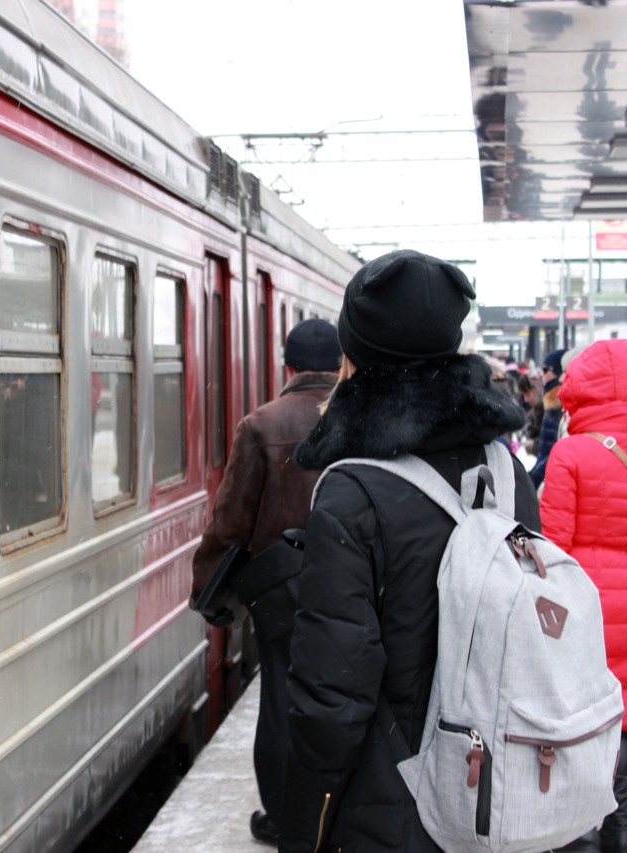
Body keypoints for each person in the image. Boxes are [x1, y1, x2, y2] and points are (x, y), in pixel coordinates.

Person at [282, 250, 536, 852]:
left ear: (356, 350)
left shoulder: (350, 492)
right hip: (498, 792)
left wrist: (303, 827)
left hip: (394, 809)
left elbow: (332, 700)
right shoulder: (506, 472)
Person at [189, 317, 344, 846]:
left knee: (281, 697)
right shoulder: (362, 417)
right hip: (352, 583)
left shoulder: (260, 425)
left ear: (288, 367)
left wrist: (208, 589)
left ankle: (283, 818)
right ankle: (339, 815)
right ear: (342, 365)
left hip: (282, 589)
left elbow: (230, 521)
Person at [539, 339, 627, 853]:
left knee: (581, 718)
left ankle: (579, 833)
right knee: (626, 718)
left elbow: (552, 547)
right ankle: (619, 831)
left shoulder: (569, 453)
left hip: (582, 609)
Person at [529, 347, 566, 488]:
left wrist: (532, 479)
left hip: (547, 479)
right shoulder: (552, 402)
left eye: (546, 370)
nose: (542, 375)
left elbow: (551, 452)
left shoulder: (557, 405)